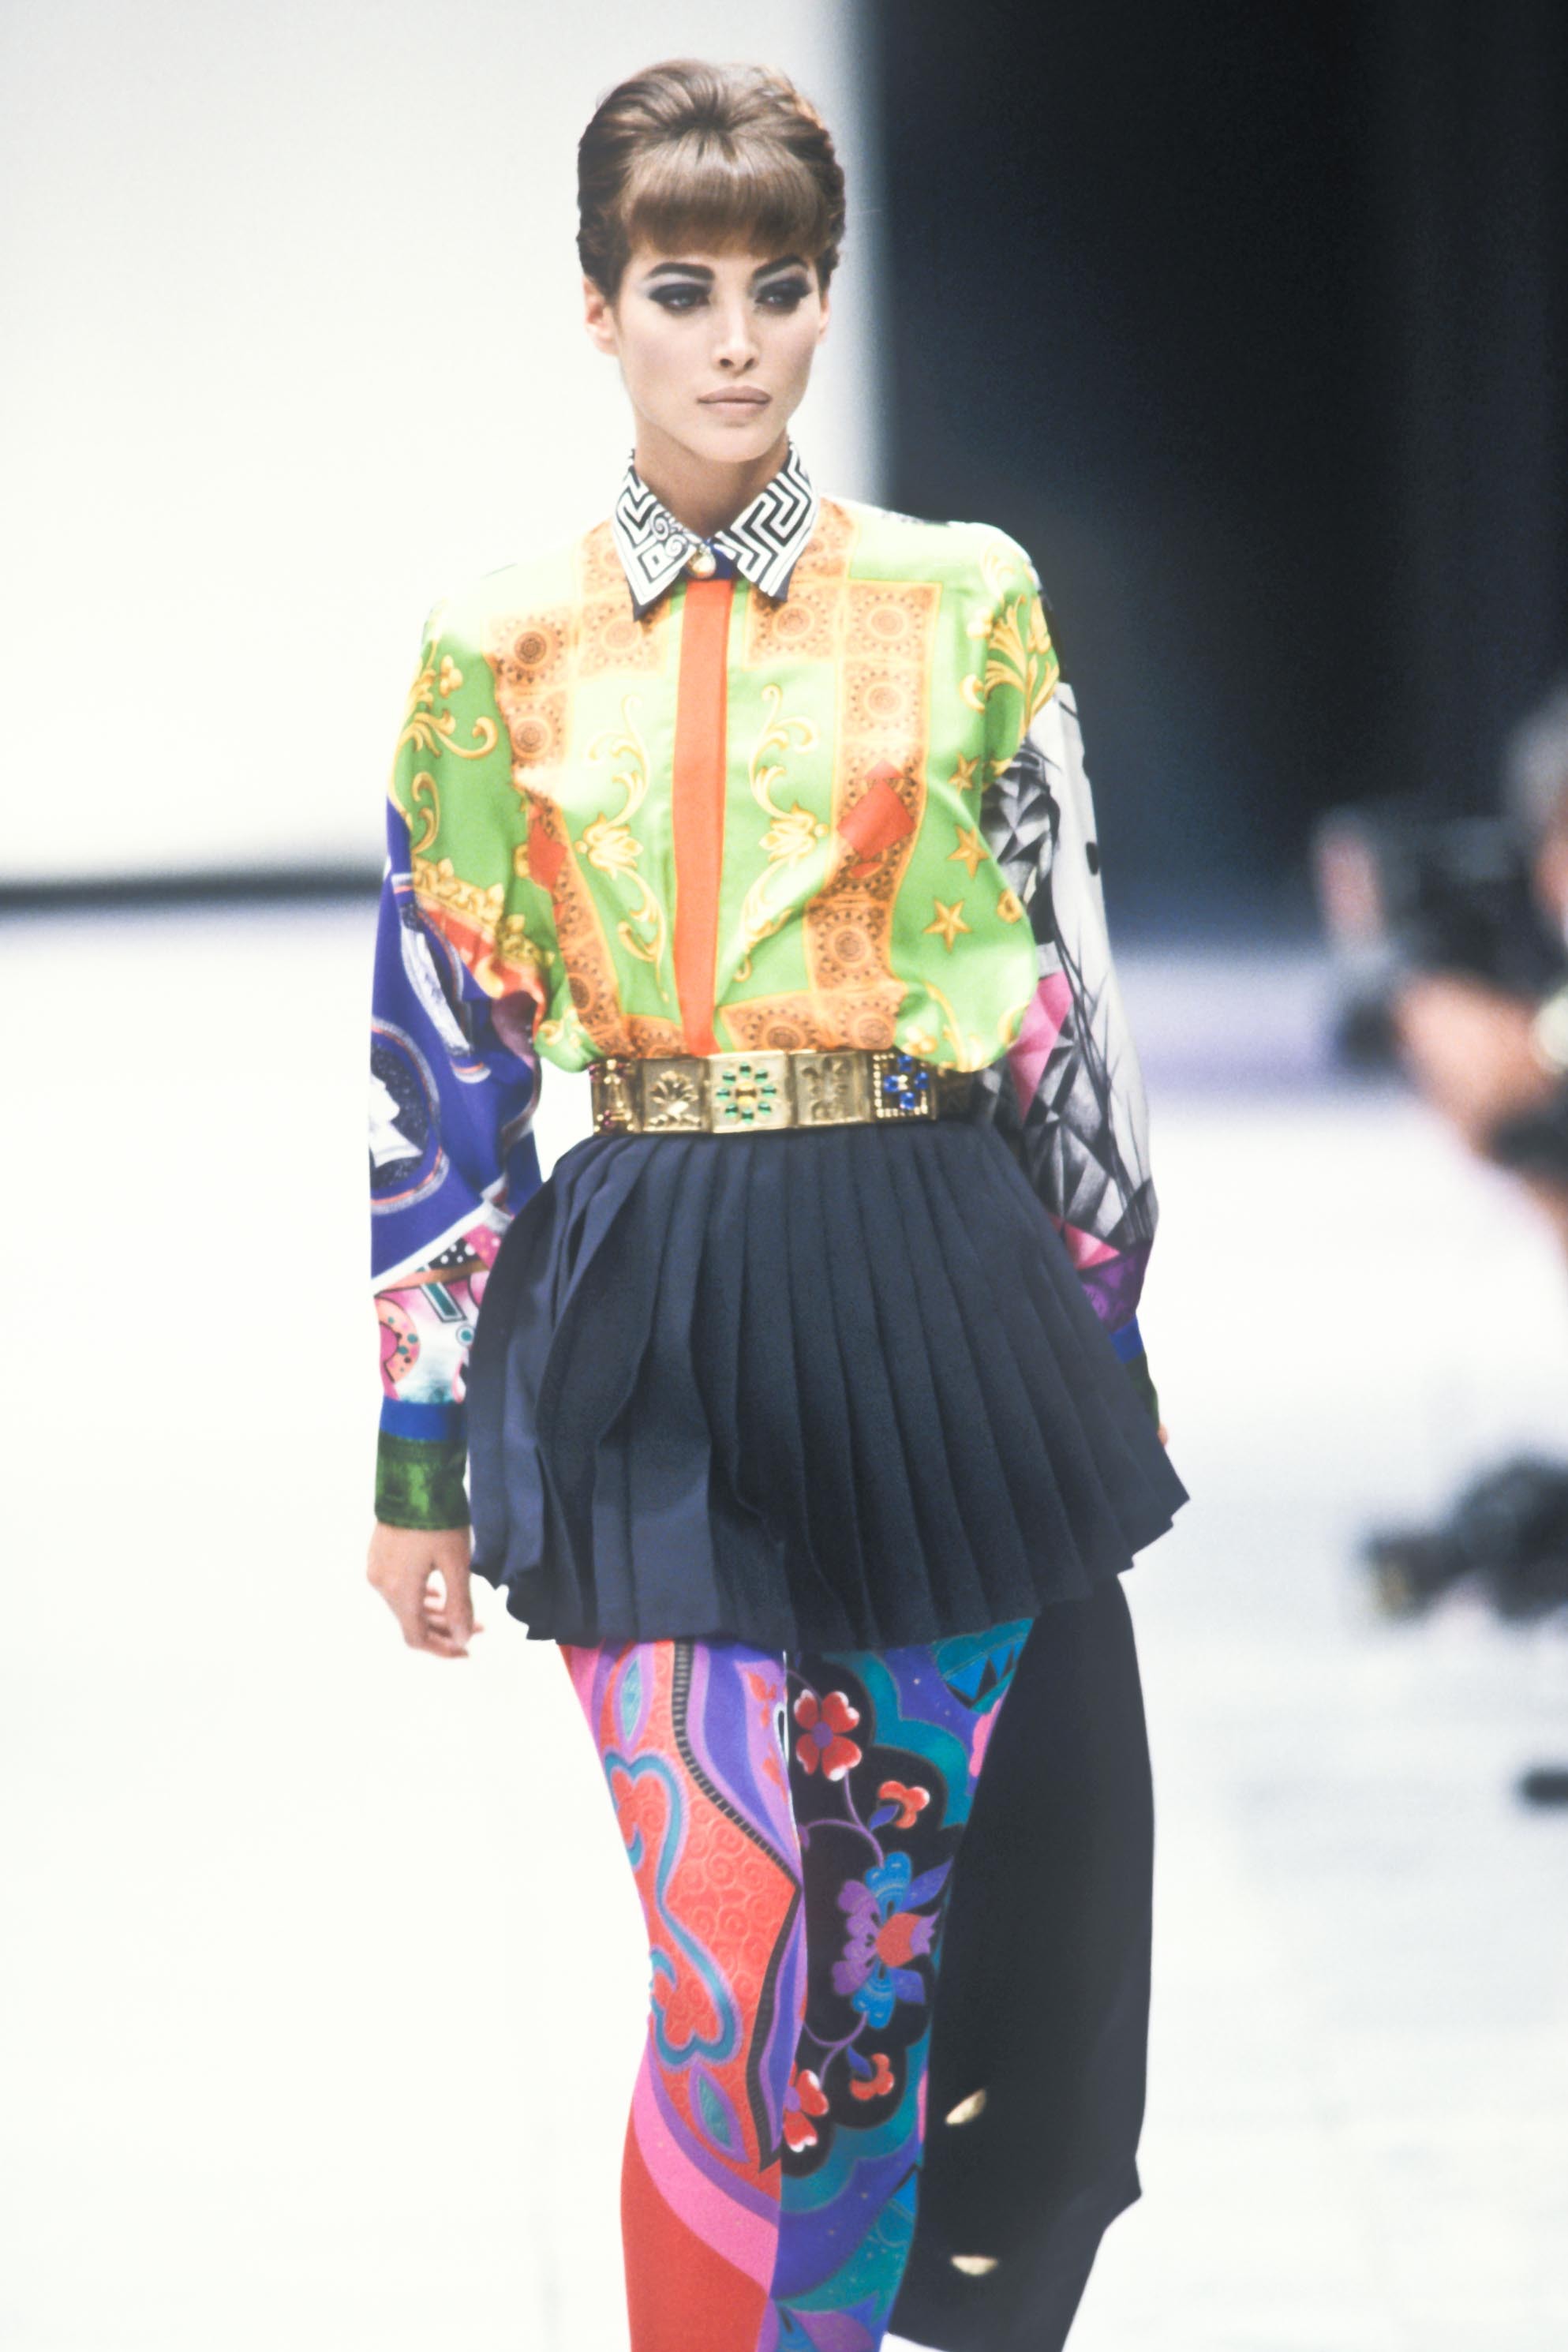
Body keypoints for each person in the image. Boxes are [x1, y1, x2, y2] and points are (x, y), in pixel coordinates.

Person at [364, 58, 1187, 2352]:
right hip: (643, 1306)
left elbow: (1065, 1017)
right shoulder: (495, 647)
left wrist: (1099, 1366)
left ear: (828, 300)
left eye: (780, 287)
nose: (735, 340)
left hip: (936, 1303)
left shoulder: (964, 600)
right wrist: (416, 1456)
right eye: (681, 288)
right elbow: (435, 1064)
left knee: (878, 1977)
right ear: (599, 305)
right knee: (727, 1959)